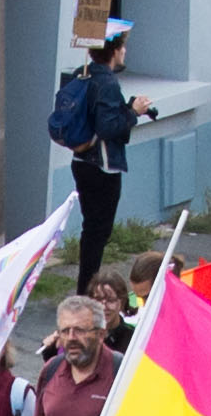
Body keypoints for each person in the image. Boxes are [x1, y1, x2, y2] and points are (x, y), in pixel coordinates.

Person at [67, 27, 157, 292]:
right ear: (115, 51)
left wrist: (125, 108)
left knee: (90, 229)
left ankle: (86, 286)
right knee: (98, 232)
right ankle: (87, 290)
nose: (125, 51)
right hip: (102, 165)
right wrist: (133, 112)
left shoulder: (82, 74)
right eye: (123, 47)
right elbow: (108, 127)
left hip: (81, 160)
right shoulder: (107, 82)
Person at [30, 297, 119, 416]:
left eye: (79, 330)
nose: (71, 337)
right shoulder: (51, 370)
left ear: (101, 334)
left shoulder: (121, 373)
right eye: (65, 331)